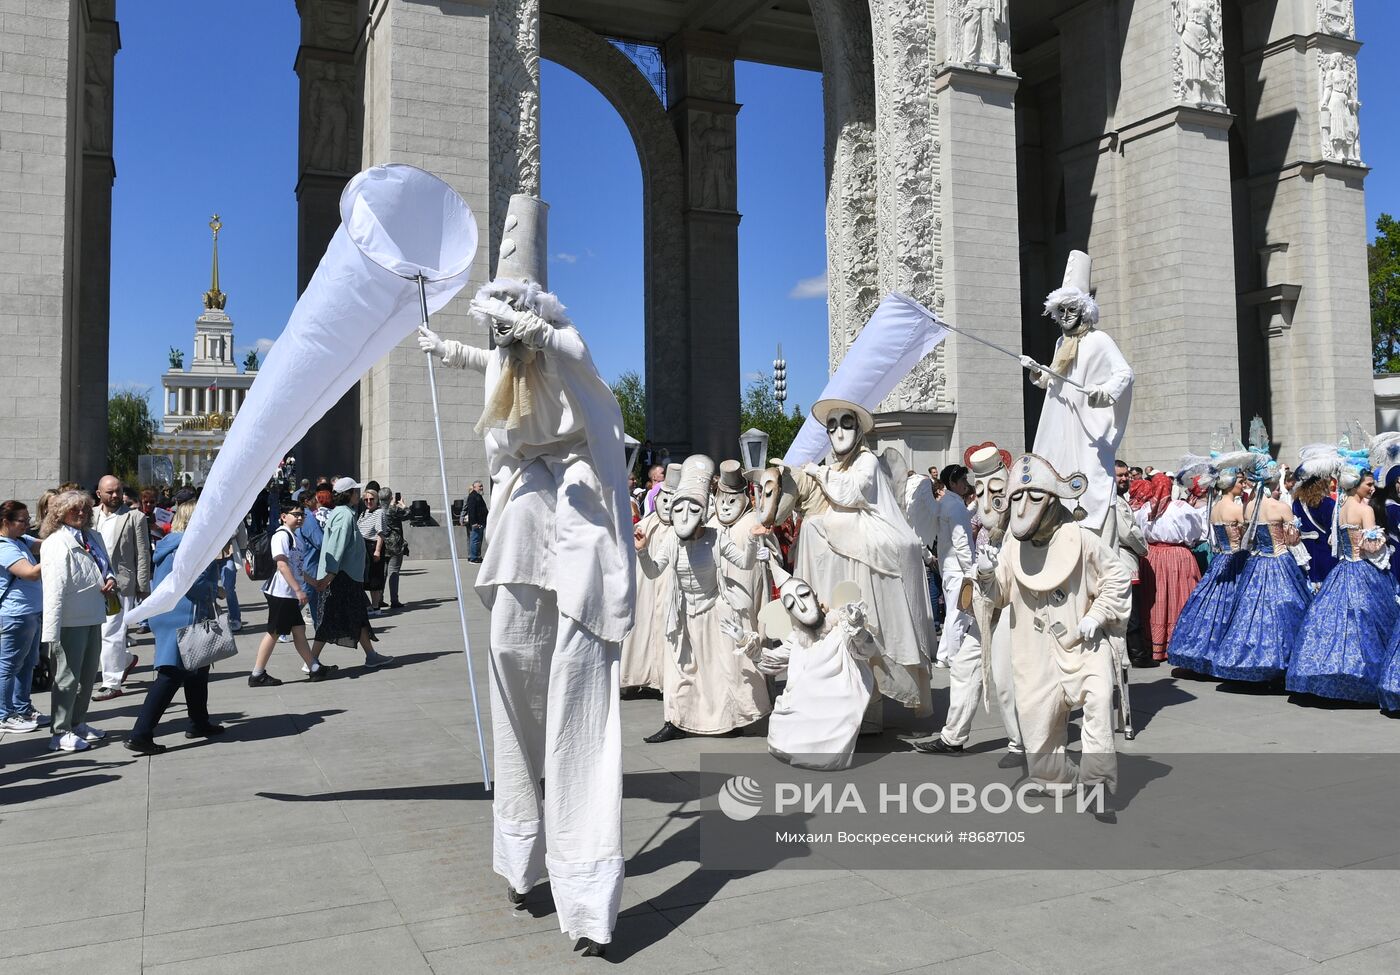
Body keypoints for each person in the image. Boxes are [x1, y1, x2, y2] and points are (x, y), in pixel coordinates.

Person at [416, 193, 633, 954]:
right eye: (497, 323)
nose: (504, 338)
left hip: (577, 527)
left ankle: (587, 889)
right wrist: (449, 351)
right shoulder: (510, 360)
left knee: (579, 703)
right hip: (521, 526)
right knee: (511, 665)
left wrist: (547, 328)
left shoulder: (565, 349)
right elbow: (501, 371)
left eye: (515, 320)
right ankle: (522, 852)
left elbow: (582, 376)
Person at [976, 453, 1131, 796]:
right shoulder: (1011, 549)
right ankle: (1054, 778)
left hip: (1083, 640)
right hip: (1034, 648)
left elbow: (1116, 578)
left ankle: (1098, 781)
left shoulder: (1082, 537)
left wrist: (1098, 613)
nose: (1023, 505)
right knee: (1036, 717)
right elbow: (999, 593)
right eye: (1016, 497)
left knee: (1099, 699)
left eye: (1033, 497)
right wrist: (987, 574)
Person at [786, 399, 935, 723]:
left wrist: (818, 472)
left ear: (858, 429)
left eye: (846, 423)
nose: (838, 431)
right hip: (841, 535)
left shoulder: (864, 461)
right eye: (832, 425)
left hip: (874, 531)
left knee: (820, 528)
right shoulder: (833, 464)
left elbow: (852, 493)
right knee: (811, 527)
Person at [636, 455, 771, 743]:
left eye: (692, 506)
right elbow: (653, 572)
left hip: (713, 611)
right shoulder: (672, 539)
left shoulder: (716, 536)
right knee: (679, 672)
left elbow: (745, 563)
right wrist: (642, 551)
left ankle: (726, 721)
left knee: (719, 671)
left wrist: (752, 539)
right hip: (682, 614)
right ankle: (675, 721)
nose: (685, 513)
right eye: (680, 506)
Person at [1020, 251, 1134, 542]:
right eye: (1061, 310)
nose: (1066, 316)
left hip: (1087, 427)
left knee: (1090, 479)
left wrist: (1104, 393)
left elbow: (1124, 374)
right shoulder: (1062, 342)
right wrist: (1037, 371)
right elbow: (1055, 380)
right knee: (1051, 473)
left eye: (1072, 309)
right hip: (1059, 422)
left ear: (1084, 310)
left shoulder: (1099, 340)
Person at [733, 566, 876, 771]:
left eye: (804, 595)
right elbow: (771, 662)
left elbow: (867, 651)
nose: (801, 605)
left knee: (826, 754)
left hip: (839, 704)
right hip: (805, 704)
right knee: (781, 736)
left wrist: (858, 631)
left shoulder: (842, 625)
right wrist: (745, 641)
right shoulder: (797, 640)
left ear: (815, 595)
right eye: (791, 604)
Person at [1288, 446, 1397, 703]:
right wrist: (1382, 541)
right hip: (1364, 570)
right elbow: (1371, 547)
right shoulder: (1365, 510)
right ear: (1356, 484)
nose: (1372, 489)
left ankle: (1331, 674)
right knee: (1369, 624)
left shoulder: (1342, 506)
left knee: (1335, 625)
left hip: (1343, 570)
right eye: (1369, 484)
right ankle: (1366, 679)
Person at [124, 497, 228, 754]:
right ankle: (141, 733)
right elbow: (199, 583)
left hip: (169, 611)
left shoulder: (169, 543)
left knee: (198, 669)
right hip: (186, 613)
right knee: (171, 674)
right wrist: (217, 588)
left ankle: (199, 721)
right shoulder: (193, 547)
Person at [1206, 437, 1310, 683]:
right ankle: (1281, 662)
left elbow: (1247, 538)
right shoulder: (1280, 508)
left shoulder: (1247, 506)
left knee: (1251, 612)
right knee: (1284, 609)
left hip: (1257, 563)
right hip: (1280, 561)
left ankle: (1251, 659)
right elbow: (1292, 540)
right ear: (1275, 481)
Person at [40, 490, 115, 752]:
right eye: (74, 509)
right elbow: (53, 589)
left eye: (84, 508)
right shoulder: (55, 543)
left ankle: (78, 722)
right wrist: (51, 632)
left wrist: (110, 579)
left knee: (87, 676)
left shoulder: (93, 536)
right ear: (60, 513)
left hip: (93, 614)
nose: (81, 513)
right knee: (67, 678)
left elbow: (106, 565)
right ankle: (60, 731)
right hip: (69, 621)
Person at [1166, 454, 1253, 676]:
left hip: (1220, 559)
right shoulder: (1236, 509)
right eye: (1240, 482)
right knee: (1233, 607)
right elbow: (1250, 534)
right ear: (1231, 484)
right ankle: (1224, 653)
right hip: (1236, 560)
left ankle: (1202, 650)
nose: (1243, 485)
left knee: (1212, 605)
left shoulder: (1214, 508)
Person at [308, 478, 394, 669]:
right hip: (342, 577)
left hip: (346, 576)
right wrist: (329, 575)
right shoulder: (344, 515)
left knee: (359, 616)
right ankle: (311, 660)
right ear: (348, 494)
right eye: (356, 491)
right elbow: (336, 546)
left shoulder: (345, 513)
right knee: (331, 618)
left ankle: (371, 655)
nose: (359, 494)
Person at [248, 504, 335, 687]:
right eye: (295, 514)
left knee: (298, 630)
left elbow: (298, 569)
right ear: (283, 516)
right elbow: (282, 565)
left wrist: (314, 583)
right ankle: (257, 674)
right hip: (281, 593)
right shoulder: (281, 536)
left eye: (302, 514)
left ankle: (314, 668)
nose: (300, 518)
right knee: (273, 632)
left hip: (288, 593)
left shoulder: (296, 537)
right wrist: (298, 590)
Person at [620, 463, 679, 699]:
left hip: (670, 582)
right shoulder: (646, 525)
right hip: (646, 582)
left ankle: (666, 677)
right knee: (644, 621)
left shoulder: (681, 527)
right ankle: (637, 675)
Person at [91, 475, 152, 701]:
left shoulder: (134, 517)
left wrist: (143, 585)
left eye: (118, 491)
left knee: (112, 633)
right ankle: (124, 660)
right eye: (110, 492)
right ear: (99, 494)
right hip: (94, 583)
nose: (115, 495)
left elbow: (143, 553)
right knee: (99, 633)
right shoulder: (90, 516)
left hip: (121, 583)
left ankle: (111, 683)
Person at [1134, 472, 1207, 662]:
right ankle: (1178, 641)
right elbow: (1196, 531)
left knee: (1155, 598)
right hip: (1177, 555)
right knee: (1179, 595)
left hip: (1152, 557)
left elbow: (1139, 532)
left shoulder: (1144, 509)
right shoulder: (1180, 508)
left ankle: (1156, 644)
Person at [0, 501, 46, 732]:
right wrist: (53, 556)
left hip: (31, 613)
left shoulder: (20, 540)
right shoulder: (4, 547)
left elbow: (42, 545)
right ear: (5, 523)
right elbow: (29, 573)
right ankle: (3, 715)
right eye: (22, 521)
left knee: (28, 664)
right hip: (15, 615)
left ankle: (22, 707)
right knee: (8, 666)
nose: (27, 525)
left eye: (28, 520)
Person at [1292, 473, 1337, 591]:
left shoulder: (1297, 502)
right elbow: (1332, 531)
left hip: (1305, 553)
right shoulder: (1328, 503)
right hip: (1325, 551)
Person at [297, 485, 328, 628]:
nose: (317, 502)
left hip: (307, 564)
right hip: (310, 565)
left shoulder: (302, 518)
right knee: (304, 598)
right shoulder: (308, 518)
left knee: (314, 600)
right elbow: (320, 541)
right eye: (314, 500)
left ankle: (320, 628)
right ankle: (281, 628)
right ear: (306, 502)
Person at [357, 486, 388, 613]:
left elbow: (381, 533)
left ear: (377, 500)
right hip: (363, 545)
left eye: (371, 499)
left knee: (375, 577)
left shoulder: (379, 512)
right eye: (366, 500)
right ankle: (369, 606)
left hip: (373, 545)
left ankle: (376, 607)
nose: (369, 502)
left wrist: (377, 550)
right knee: (366, 577)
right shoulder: (364, 513)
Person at [381, 488, 409, 609]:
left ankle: (379, 598)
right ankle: (394, 600)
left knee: (383, 573)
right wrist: (403, 505)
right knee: (394, 572)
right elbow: (408, 514)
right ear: (390, 498)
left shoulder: (378, 510)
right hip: (395, 545)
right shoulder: (393, 509)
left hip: (382, 544)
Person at [465, 481, 488, 563]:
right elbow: (472, 511)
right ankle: (473, 558)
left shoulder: (478, 496)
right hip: (476, 523)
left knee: (478, 540)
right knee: (475, 540)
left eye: (482, 486)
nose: (481, 487)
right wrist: (474, 523)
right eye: (479, 486)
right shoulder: (472, 496)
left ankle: (477, 556)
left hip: (481, 522)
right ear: (474, 487)